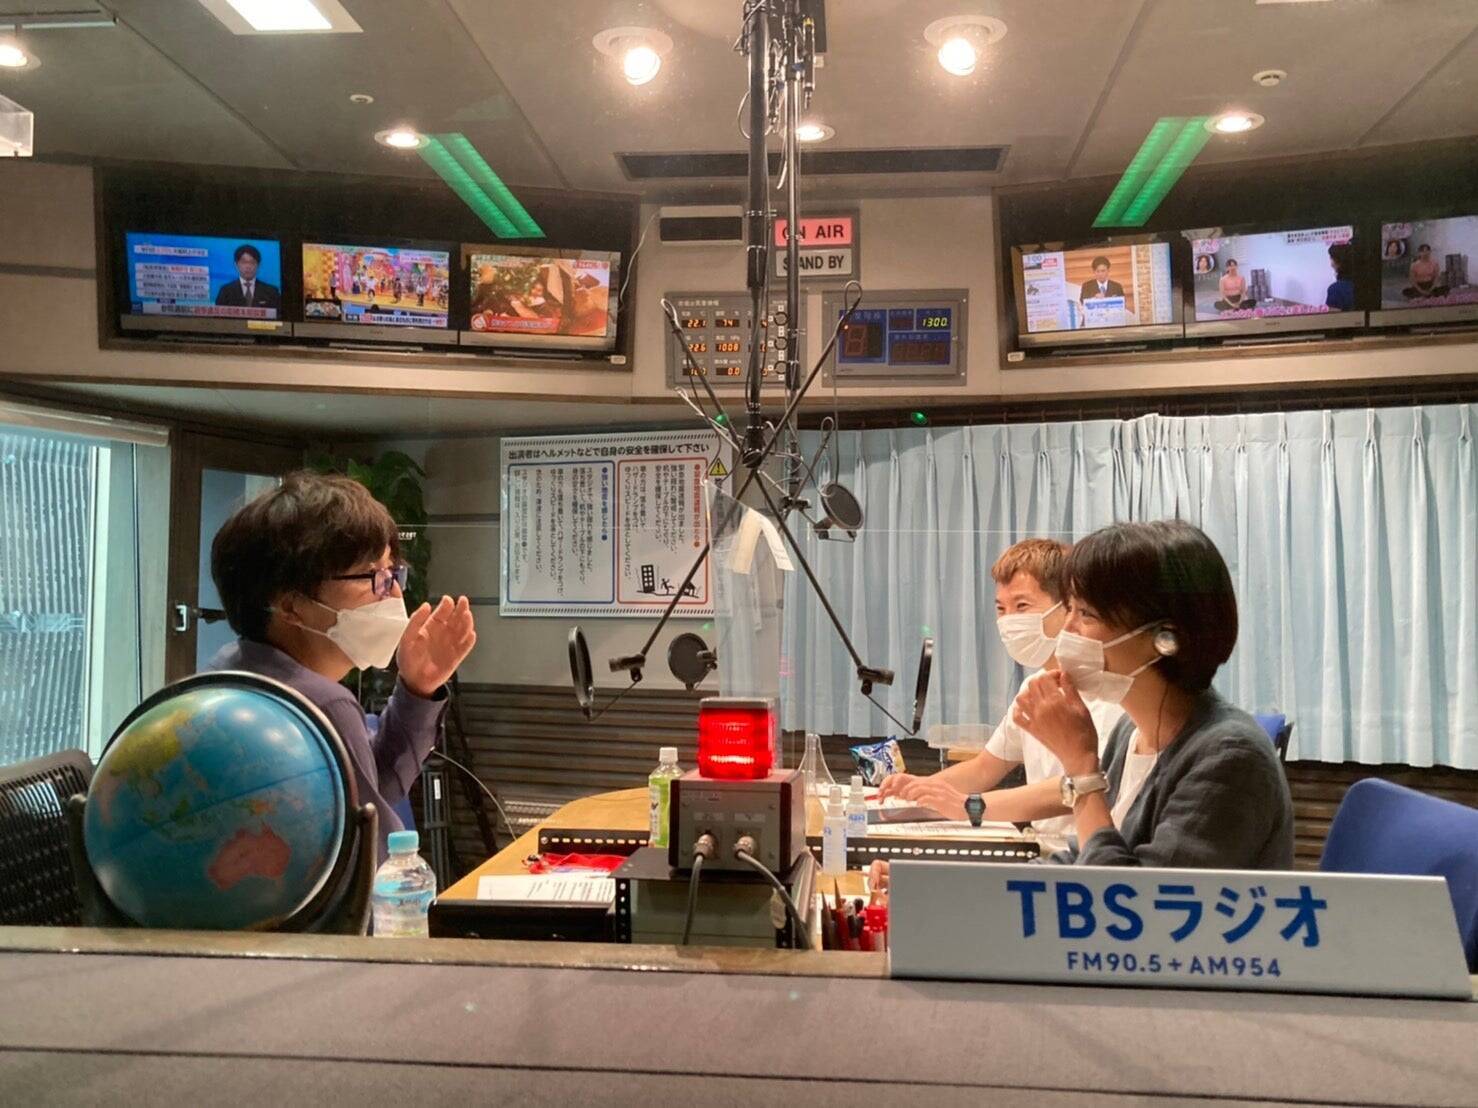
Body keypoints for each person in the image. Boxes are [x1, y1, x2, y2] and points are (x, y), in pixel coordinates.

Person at [205, 471, 477, 862]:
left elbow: (373, 784)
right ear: (291, 606)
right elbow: (373, 862)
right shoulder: (322, 704)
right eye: (373, 576)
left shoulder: (225, 669)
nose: (393, 591)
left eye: (393, 572)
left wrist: (418, 687)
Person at [1012, 520, 1293, 869]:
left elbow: (1130, 896)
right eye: (1069, 608)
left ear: (1165, 638)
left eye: (1086, 614)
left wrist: (1082, 770)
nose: (1067, 630)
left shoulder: (1231, 757)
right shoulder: (1131, 732)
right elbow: (1083, 854)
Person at [876, 539, 1124, 854]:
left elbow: (1082, 783)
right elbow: (984, 768)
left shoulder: (1110, 697)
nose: (1008, 621)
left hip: (1087, 855)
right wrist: (922, 787)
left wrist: (971, 806)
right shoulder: (1034, 687)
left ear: (1068, 607)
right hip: (1041, 849)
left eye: (1022, 606)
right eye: (1001, 609)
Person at [214, 244, 281, 311]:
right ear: (236, 265)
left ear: (258, 265)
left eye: (252, 262)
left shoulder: (272, 292)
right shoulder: (225, 291)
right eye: (244, 262)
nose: (248, 266)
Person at [1325, 242, 1356, 311]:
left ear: (1340, 261)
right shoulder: (1365, 285)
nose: (1331, 264)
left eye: (1332, 258)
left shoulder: (1335, 289)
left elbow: (1333, 316)